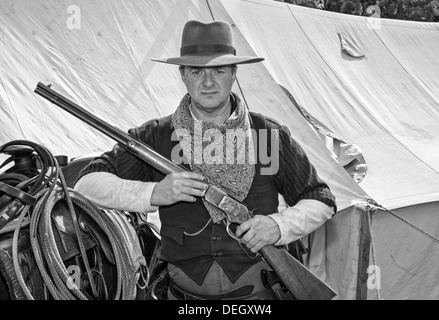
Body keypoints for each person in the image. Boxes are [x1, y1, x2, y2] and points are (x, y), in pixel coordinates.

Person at [74, 20, 336, 300]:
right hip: (182, 296)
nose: (208, 82)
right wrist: (153, 192)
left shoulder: (268, 135)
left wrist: (278, 226)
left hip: (262, 295)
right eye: (197, 71)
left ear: (233, 73)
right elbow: (87, 185)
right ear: (183, 75)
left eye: (218, 71)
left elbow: (321, 199)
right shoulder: (156, 136)